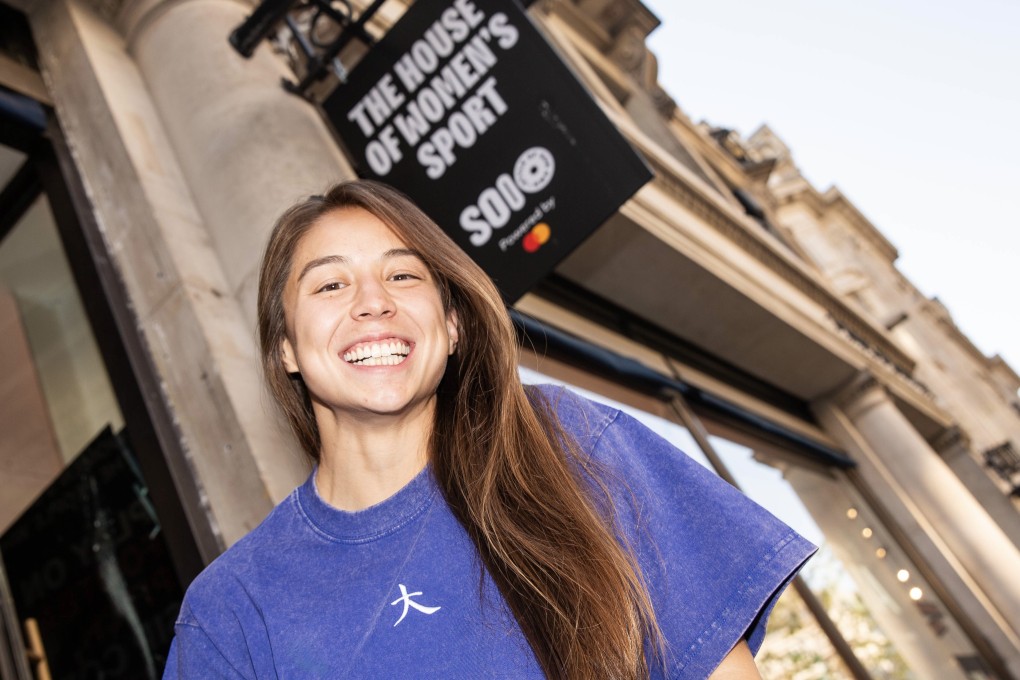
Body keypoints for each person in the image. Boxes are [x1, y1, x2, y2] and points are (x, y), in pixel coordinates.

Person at [163, 180, 815, 679]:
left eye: (402, 275)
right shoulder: (230, 612)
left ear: (451, 326)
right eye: (330, 285)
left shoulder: (566, 443)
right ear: (286, 349)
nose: (372, 301)